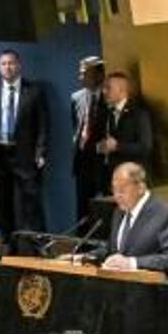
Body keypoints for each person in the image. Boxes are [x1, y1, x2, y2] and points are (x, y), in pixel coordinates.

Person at [0, 49, 49, 251]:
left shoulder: (35, 92)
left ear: (19, 65)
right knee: (1, 201)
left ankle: (39, 242)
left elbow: (43, 125)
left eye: (11, 63)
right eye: (3, 64)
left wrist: (41, 152)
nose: (8, 67)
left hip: (26, 155)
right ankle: (7, 241)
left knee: (32, 199)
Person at [91, 162, 168, 276]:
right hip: (117, 284)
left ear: (140, 188)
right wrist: (87, 257)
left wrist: (132, 263)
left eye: (122, 189)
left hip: (151, 286)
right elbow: (112, 249)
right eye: (114, 189)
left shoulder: (165, 213)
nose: (117, 195)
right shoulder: (119, 211)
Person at [70, 56, 108, 227]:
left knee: (102, 207)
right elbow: (75, 125)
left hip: (102, 161)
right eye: (80, 73)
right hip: (82, 160)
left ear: (99, 74)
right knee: (83, 207)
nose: (80, 77)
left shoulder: (109, 98)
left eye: (85, 73)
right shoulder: (76, 97)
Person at [96, 71, 154, 180]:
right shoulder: (105, 114)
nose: (104, 91)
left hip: (133, 178)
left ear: (122, 90)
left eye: (108, 88)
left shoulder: (138, 114)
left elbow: (145, 147)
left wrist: (117, 146)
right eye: (104, 87)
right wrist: (100, 147)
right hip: (110, 178)